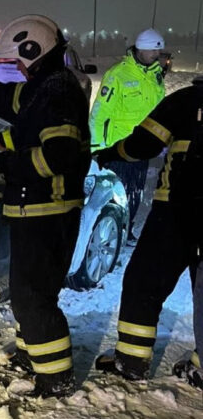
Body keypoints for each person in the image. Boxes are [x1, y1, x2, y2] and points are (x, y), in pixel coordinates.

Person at [0, 14, 90, 397]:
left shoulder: (56, 92)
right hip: (45, 210)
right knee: (34, 292)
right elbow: (10, 103)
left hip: (47, 211)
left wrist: (8, 163)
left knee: (31, 296)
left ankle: (55, 379)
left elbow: (58, 154)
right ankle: (34, 358)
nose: (18, 70)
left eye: (19, 62)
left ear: (35, 50)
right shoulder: (47, 87)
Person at [94, 77, 203, 384]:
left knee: (144, 282)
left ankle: (131, 360)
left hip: (176, 209)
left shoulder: (187, 99)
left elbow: (143, 144)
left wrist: (109, 153)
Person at [89, 29, 166, 244]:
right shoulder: (118, 75)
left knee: (136, 193)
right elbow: (99, 113)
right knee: (115, 194)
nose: (157, 55)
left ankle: (126, 230)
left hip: (143, 147)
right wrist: (97, 146)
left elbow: (159, 110)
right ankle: (106, 235)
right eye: (153, 50)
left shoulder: (155, 76)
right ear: (141, 48)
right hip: (118, 147)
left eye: (158, 51)